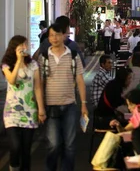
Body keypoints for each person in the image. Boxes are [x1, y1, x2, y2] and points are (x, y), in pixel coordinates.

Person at [39, 22, 87, 171]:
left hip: (70, 105)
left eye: (57, 35)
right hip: (51, 106)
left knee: (70, 145)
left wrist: (84, 104)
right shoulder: (44, 57)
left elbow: (80, 80)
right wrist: (40, 107)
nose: (54, 38)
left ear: (64, 36)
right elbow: (39, 84)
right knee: (53, 145)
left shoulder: (73, 56)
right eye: (51, 35)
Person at [2, 35, 46, 171]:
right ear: (14, 48)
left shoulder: (33, 64)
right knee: (15, 146)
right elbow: (12, 80)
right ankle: (13, 167)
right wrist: (19, 61)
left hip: (30, 111)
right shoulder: (6, 64)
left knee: (26, 150)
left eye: (26, 45)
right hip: (12, 113)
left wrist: (41, 109)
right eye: (22, 45)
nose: (25, 48)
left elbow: (38, 87)